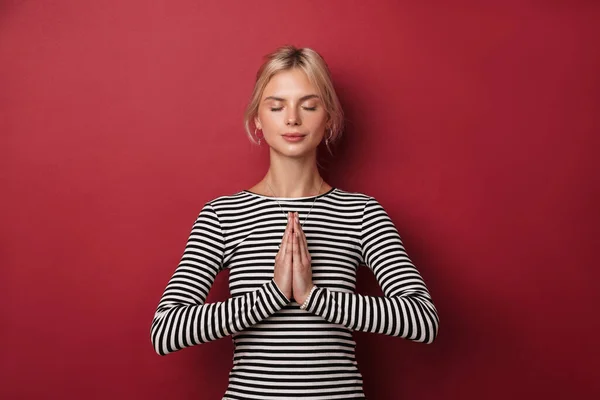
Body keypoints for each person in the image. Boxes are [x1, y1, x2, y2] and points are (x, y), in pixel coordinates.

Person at [150, 45, 439, 400]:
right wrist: (272, 296)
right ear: (258, 118)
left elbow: (423, 320)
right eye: (276, 106)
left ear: (329, 118)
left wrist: (312, 297)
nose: (292, 119)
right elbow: (166, 331)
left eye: (309, 105)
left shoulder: (361, 213)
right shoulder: (222, 215)